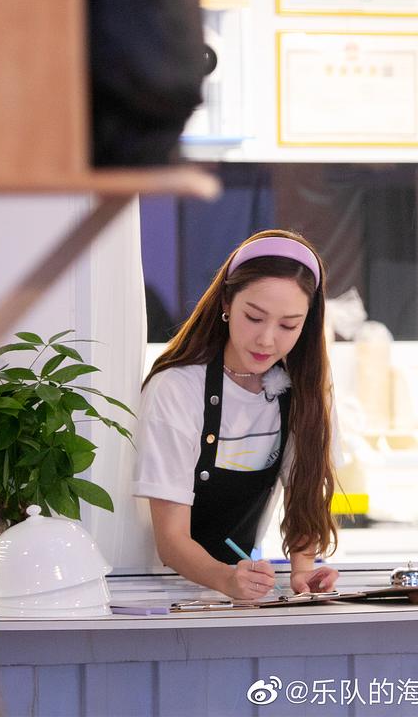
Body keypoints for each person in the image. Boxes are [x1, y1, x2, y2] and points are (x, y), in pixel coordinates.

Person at [134, 229, 340, 600]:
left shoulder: (306, 392)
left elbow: (303, 490)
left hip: (236, 595)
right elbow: (171, 541)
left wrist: (303, 572)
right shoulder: (176, 389)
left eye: (288, 325)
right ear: (227, 302)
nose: (267, 339)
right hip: (157, 594)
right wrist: (226, 579)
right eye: (254, 317)